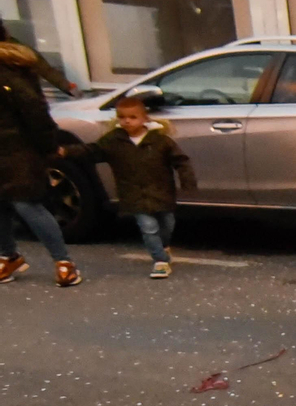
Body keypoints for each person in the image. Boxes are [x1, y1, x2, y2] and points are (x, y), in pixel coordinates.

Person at [60, 98, 196, 279]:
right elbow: (92, 151)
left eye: (133, 117)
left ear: (144, 118)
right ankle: (160, 261)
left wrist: (187, 181)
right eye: (122, 117)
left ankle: (163, 246)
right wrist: (67, 151)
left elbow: (181, 161)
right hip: (133, 194)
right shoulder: (113, 141)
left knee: (167, 223)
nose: (127, 121)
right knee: (148, 227)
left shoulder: (160, 141)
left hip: (161, 191)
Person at [0, 29, 81, 287]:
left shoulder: (9, 70)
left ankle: (63, 262)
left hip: (18, 150)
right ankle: (8, 256)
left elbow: (35, 111)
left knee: (27, 204)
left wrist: (48, 146)